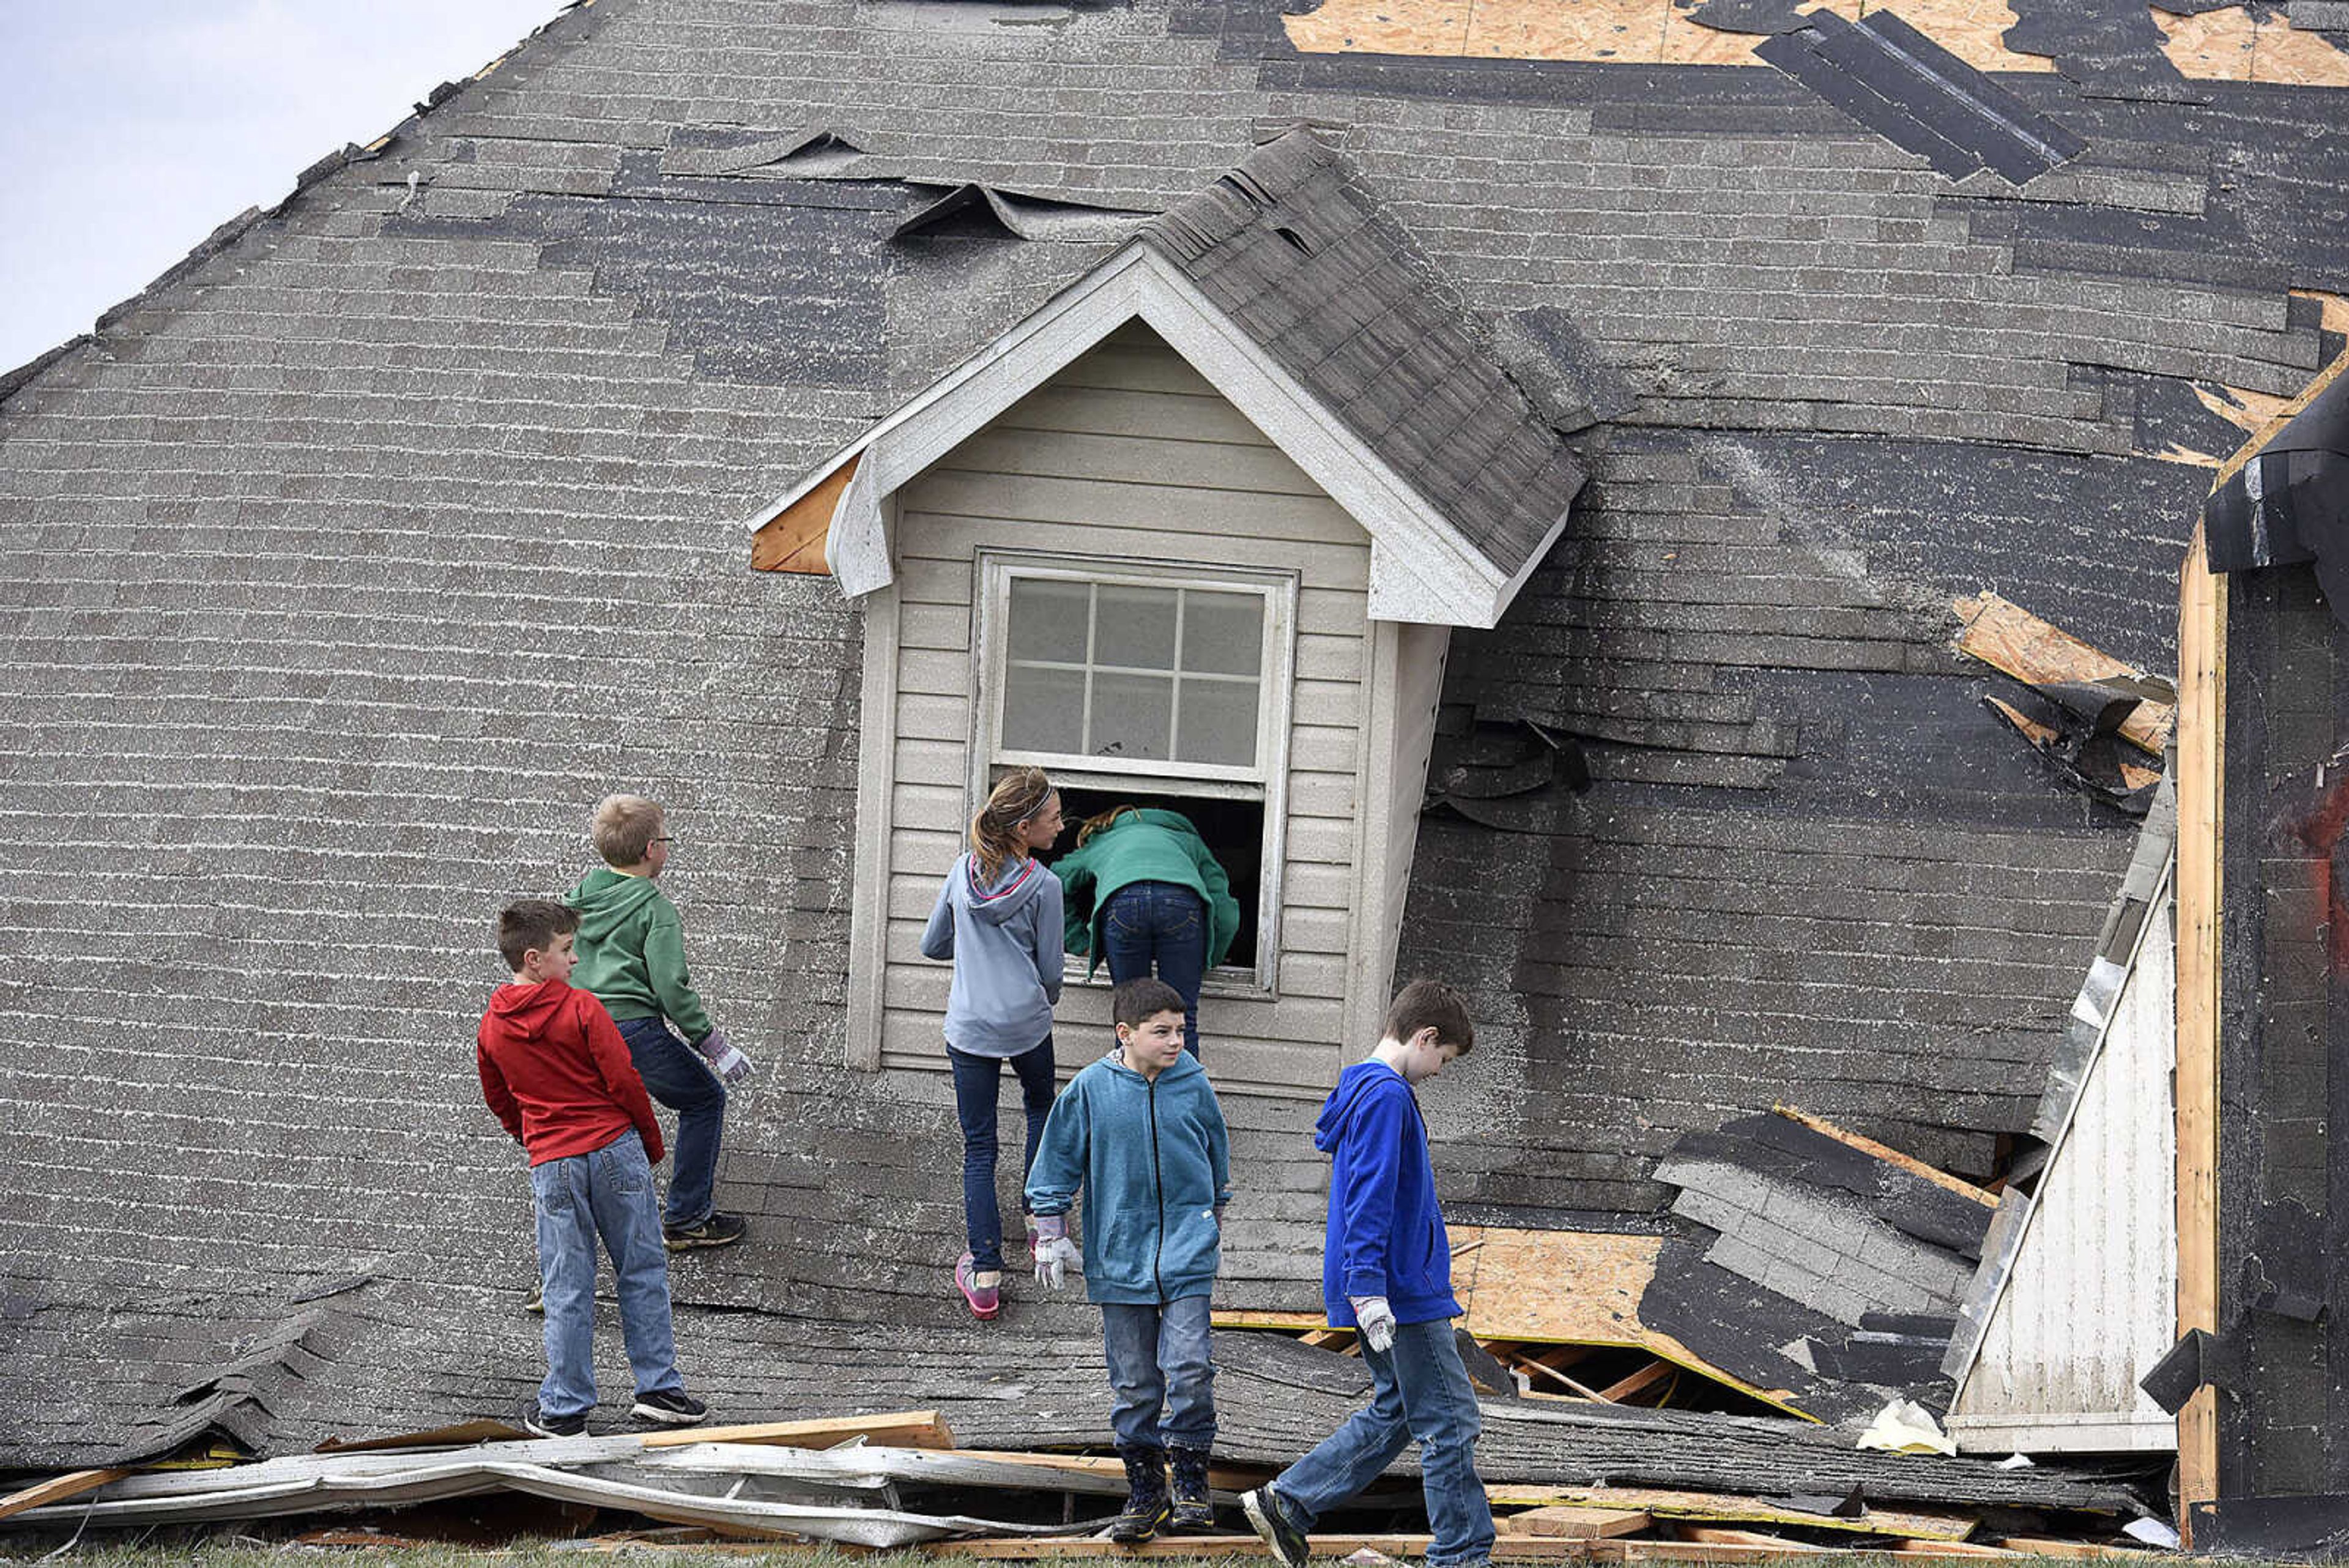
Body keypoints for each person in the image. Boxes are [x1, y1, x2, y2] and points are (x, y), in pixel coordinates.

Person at [1241, 979, 1493, 1568]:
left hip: (1387, 1285)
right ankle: (1461, 1555)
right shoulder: (1387, 1096)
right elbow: (1369, 1196)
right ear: (1425, 1036)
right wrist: (1368, 1289)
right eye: (1444, 1058)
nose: (1438, 1071)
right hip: (1400, 1292)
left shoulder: (1367, 1090)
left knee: (1401, 1409)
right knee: (1451, 1418)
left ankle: (1289, 1502)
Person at [476, 899, 710, 1438]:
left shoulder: (493, 1028)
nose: (576, 959)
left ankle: (564, 1407)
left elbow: (500, 1098)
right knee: (642, 1269)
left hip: (553, 1162)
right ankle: (658, 1389)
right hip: (613, 1147)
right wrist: (649, 1142)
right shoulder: (583, 1010)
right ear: (535, 958)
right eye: (565, 950)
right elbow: (624, 1079)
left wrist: (534, 1139)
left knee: (566, 1284)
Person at [1028, 977, 1232, 1543]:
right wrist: (1051, 1228)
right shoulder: (1092, 1089)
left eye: (1181, 1030)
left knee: (1190, 1366)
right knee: (1136, 1382)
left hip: (1188, 1251)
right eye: (1161, 1032)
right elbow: (1057, 1158)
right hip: (1118, 1254)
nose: (1175, 1041)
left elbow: (1216, 1153)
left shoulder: (1193, 1082)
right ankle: (1146, 1492)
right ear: (1126, 1033)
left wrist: (1213, 1212)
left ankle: (1192, 1481)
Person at [569, 795, 751, 1253]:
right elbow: (671, 989)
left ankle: (560, 1263)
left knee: (589, 1130)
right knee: (704, 1099)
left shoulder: (575, 902)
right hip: (630, 1032)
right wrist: (715, 1045)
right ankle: (688, 1217)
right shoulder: (656, 911)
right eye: (666, 840)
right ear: (652, 849)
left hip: (576, 1031)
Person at [921, 766, 1066, 1320]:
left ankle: (983, 1273)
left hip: (971, 1026)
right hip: (1028, 1022)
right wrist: (1037, 990)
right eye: (1053, 818)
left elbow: (933, 943)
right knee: (1039, 1110)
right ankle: (1037, 1218)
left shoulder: (962, 871)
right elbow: (1051, 970)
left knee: (979, 1146)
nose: (1060, 825)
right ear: (1025, 826)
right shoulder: (1045, 887)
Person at [1052, 805, 1241, 1059]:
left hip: (1123, 901)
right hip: (1181, 902)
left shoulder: (1104, 839)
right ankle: (1181, 1096)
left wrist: (1078, 940)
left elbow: (1055, 882)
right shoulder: (1188, 840)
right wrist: (1208, 957)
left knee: (1130, 1016)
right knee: (1181, 1018)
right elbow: (1225, 911)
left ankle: (1130, 1095)